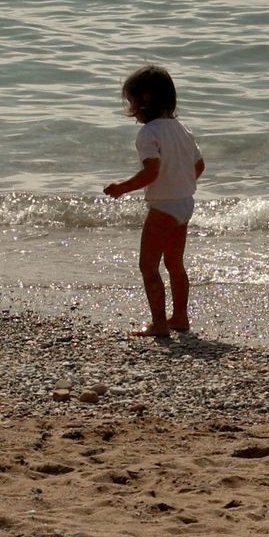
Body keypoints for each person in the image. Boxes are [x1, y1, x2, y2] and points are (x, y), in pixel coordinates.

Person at [99, 63, 204, 343]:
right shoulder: (183, 129)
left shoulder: (149, 133)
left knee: (148, 266)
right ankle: (180, 316)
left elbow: (151, 171)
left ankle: (159, 323)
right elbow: (200, 165)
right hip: (184, 204)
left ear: (144, 99)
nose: (131, 109)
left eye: (131, 101)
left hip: (163, 207)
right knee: (175, 264)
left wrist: (123, 188)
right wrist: (180, 181)